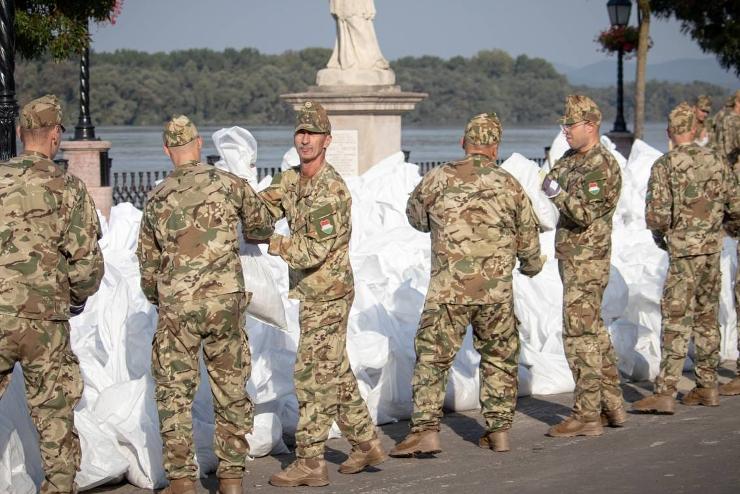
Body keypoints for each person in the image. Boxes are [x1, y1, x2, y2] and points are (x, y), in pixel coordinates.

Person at [388, 113, 543, 456]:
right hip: (496, 293)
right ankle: (499, 431)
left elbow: (415, 218)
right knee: (499, 358)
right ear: (496, 148)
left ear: (463, 143)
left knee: (433, 358)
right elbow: (529, 238)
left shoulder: (439, 177)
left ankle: (426, 430)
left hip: (449, 290)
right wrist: (530, 267)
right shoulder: (510, 184)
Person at [137, 115, 273, 494]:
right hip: (224, 302)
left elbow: (147, 266)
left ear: (167, 150)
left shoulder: (157, 197)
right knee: (230, 388)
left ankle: (182, 481)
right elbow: (261, 226)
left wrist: (162, 298)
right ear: (198, 144)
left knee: (174, 393)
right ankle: (231, 478)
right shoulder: (229, 184)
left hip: (177, 306)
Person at [258, 101, 386, 487]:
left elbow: (313, 250)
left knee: (311, 374)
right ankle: (365, 442)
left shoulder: (331, 191)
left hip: (329, 294)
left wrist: (272, 240)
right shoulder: (292, 179)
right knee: (334, 370)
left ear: (327, 141)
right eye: (301, 133)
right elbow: (264, 204)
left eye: (313, 134)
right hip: (310, 293)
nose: (305, 139)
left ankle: (311, 460)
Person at [0, 94, 104, 493]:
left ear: (20, 132)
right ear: (57, 134)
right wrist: (76, 297)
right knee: (54, 411)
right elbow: (86, 260)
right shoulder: (68, 188)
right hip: (46, 318)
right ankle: (59, 487)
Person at [632, 102, 733, 414]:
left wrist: (664, 240)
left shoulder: (665, 165)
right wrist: (721, 229)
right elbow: (737, 205)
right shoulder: (717, 161)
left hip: (683, 251)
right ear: (696, 129)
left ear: (669, 132)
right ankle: (708, 386)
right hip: (711, 250)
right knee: (707, 316)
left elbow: (656, 216)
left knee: (677, 319)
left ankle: (665, 391)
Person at [541, 95, 625, 437]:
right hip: (572, 258)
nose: (566, 133)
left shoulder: (601, 166)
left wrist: (555, 193)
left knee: (579, 335)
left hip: (588, 260)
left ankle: (586, 414)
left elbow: (583, 212)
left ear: (590, 125)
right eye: (563, 126)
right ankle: (613, 405)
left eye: (570, 126)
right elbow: (552, 178)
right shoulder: (570, 159)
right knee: (594, 332)